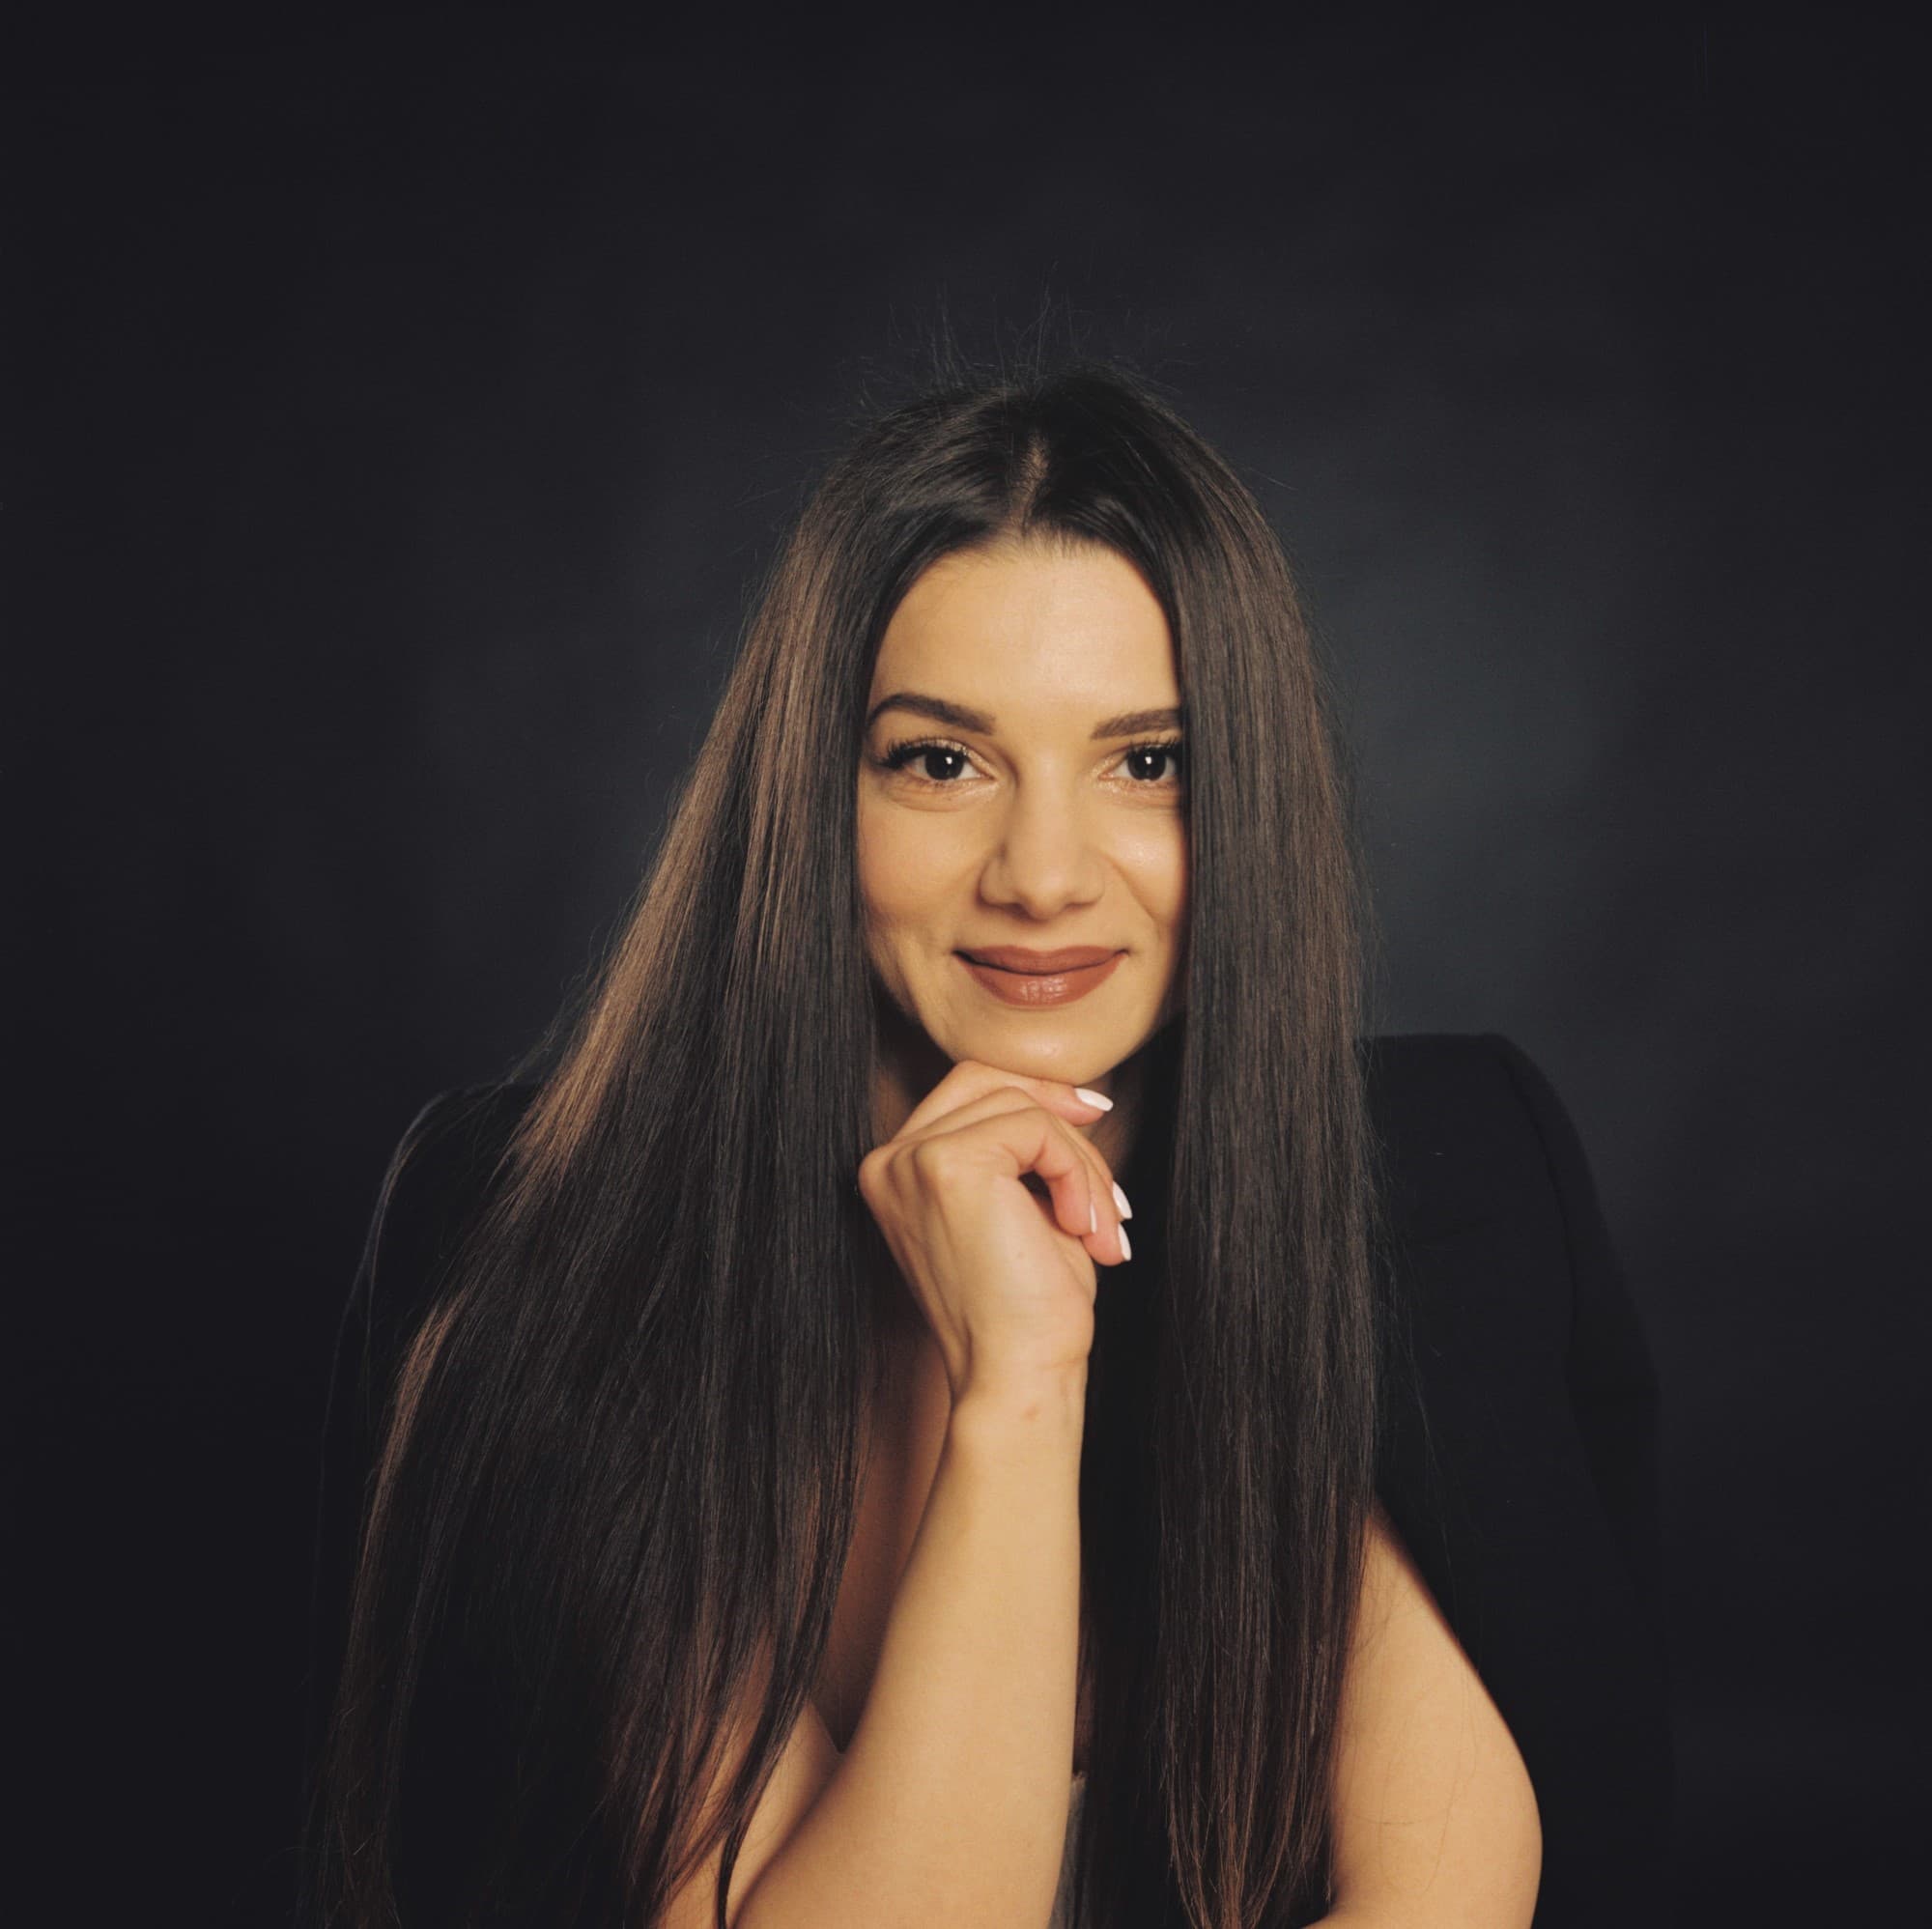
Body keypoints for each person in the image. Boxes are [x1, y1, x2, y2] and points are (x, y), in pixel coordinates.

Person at [298, 361, 1671, 1927]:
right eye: (940, 761)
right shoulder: (553, 1233)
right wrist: (1020, 1396)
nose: (1042, 872)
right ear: (815, 794)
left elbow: (1449, 1898)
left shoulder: (1432, 1189)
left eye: (1147, 762)